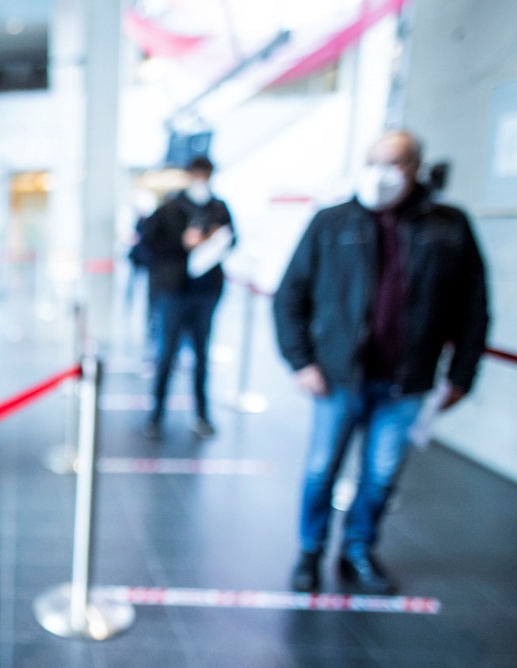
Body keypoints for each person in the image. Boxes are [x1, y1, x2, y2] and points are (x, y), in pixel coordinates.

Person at [273, 130, 490, 594]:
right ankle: (309, 552)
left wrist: (462, 376)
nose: (380, 173)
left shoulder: (447, 226)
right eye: (373, 161)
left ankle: (359, 550)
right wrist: (300, 361)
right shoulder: (332, 222)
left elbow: (473, 306)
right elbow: (290, 294)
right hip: (337, 377)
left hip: (404, 382)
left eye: (392, 163)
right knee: (320, 470)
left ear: (414, 167)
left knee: (381, 475)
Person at [140, 155, 235, 440]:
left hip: (205, 292)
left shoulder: (219, 208)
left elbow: (232, 239)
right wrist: (182, 243)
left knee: (201, 355)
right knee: (166, 354)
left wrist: (214, 240)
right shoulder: (170, 208)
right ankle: (156, 416)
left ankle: (202, 415)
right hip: (174, 291)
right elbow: (148, 245)